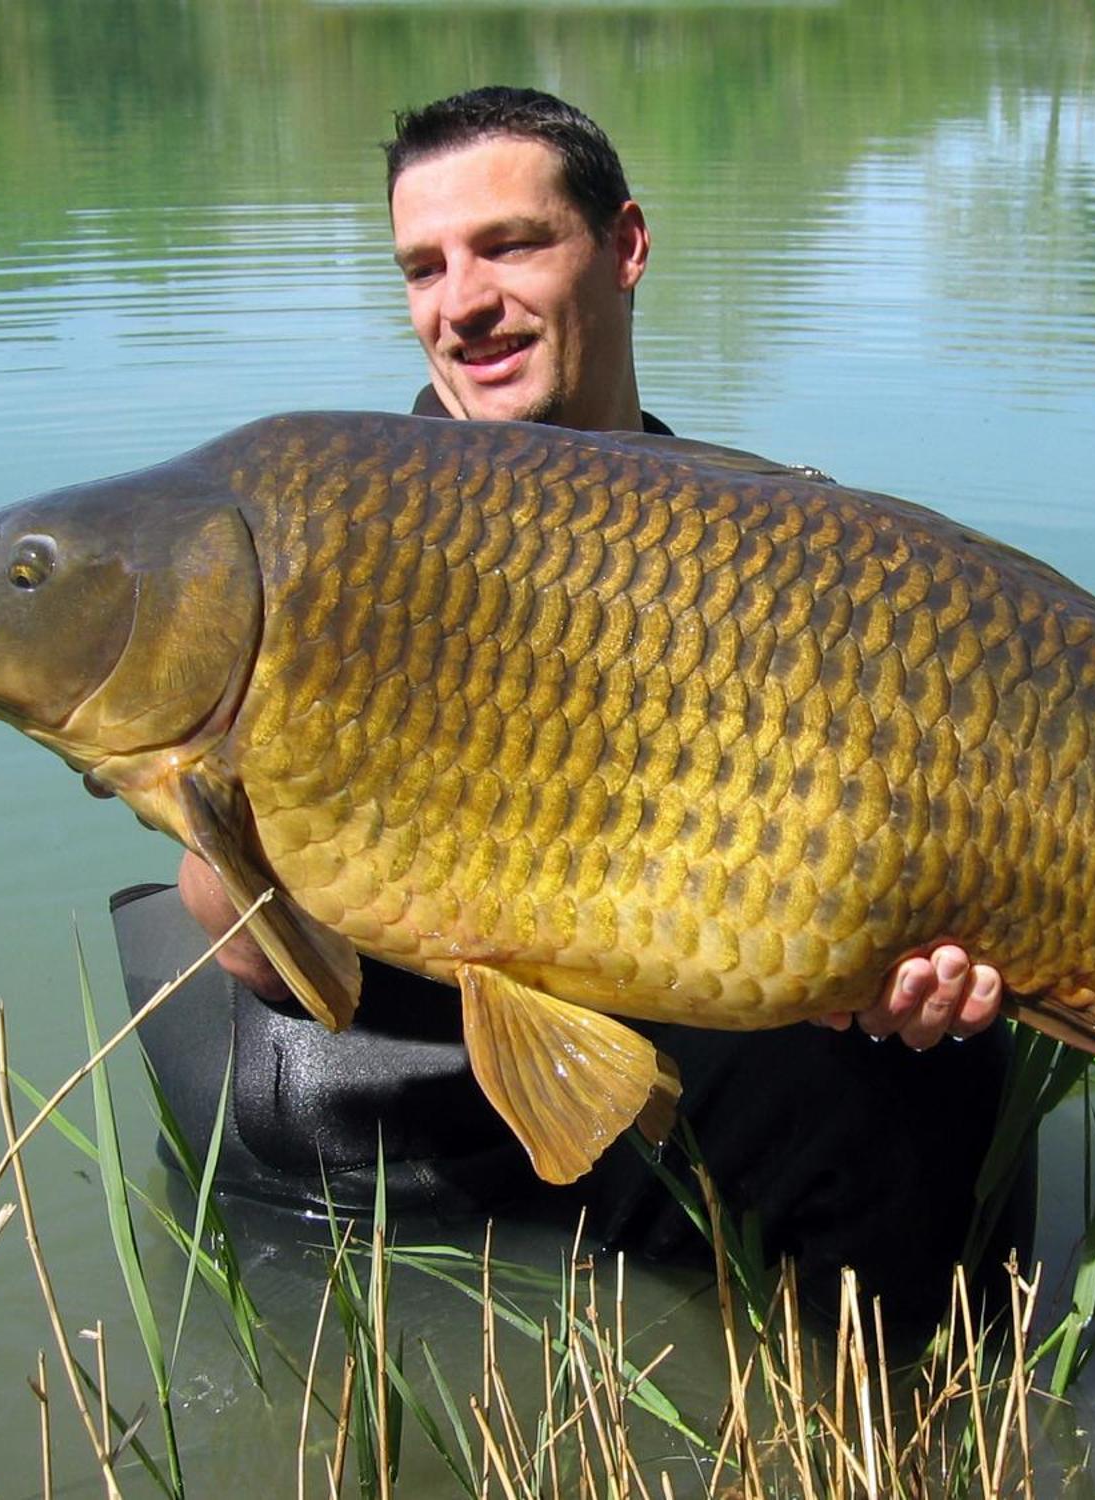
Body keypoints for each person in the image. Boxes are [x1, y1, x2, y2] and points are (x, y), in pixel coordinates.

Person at [113, 87, 1034, 1327]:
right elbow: (232, 931)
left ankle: (871, 1432)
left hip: (650, 1005)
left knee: (941, 1067)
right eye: (422, 267)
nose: (461, 303)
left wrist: (902, 948)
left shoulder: (757, 540)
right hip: (409, 1033)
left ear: (626, 246)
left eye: (509, 245)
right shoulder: (339, 529)